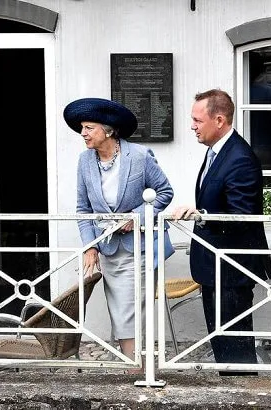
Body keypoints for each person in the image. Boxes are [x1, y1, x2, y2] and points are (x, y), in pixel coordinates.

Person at [64, 97, 174, 368]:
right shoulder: (85, 161)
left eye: (89, 128)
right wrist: (91, 246)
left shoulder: (138, 156)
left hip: (140, 247)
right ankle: (136, 364)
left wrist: (135, 216)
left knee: (132, 309)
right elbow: (83, 209)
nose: (83, 134)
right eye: (82, 128)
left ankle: (135, 367)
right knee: (121, 311)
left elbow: (165, 192)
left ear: (109, 130)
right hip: (109, 251)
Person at [173, 89, 271, 376]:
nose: (192, 126)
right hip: (215, 266)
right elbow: (218, 200)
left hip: (231, 267)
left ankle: (241, 395)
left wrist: (201, 216)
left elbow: (241, 217)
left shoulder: (239, 157)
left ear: (219, 120)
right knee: (223, 346)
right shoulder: (217, 152)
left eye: (197, 120)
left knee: (235, 350)